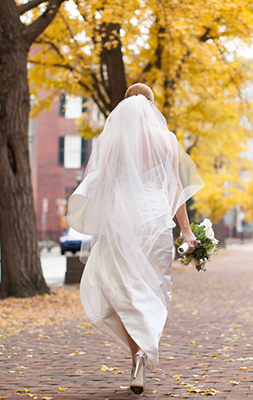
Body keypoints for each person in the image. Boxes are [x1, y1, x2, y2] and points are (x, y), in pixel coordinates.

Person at [65, 83, 204, 394]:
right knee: (153, 289)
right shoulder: (167, 140)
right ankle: (143, 350)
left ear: (124, 108)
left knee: (124, 290)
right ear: (152, 106)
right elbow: (175, 187)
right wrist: (185, 229)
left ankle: (137, 354)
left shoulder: (114, 141)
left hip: (122, 218)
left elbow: (106, 184)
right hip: (155, 220)